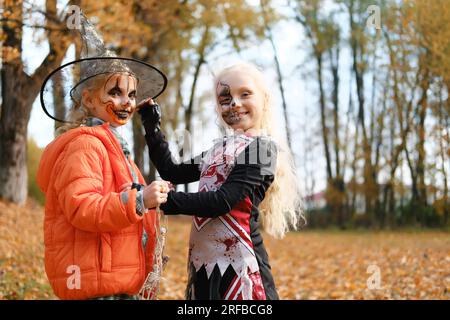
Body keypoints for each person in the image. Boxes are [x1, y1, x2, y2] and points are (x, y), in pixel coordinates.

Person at [138, 62, 304, 300]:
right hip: (204, 264)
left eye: (245, 94)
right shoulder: (219, 150)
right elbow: (172, 171)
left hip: (241, 269)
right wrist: (150, 122)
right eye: (225, 98)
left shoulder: (262, 149)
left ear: (264, 100)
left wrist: (161, 201)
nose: (234, 102)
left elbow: (222, 201)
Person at [36, 15, 169, 300]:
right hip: (95, 285)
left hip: (115, 280)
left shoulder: (118, 149)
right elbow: (82, 207)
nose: (127, 102)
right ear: (88, 99)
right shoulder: (85, 145)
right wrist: (139, 200)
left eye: (131, 95)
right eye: (115, 92)